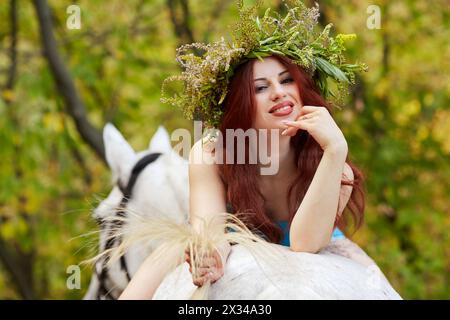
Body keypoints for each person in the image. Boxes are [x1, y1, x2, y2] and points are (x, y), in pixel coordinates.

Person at [119, 0, 368, 299]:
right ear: (242, 107)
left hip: (317, 244)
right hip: (234, 239)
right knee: (156, 265)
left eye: (287, 80)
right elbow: (210, 228)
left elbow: (305, 245)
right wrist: (210, 254)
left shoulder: (333, 163)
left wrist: (336, 149)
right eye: (260, 88)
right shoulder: (212, 154)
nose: (279, 92)